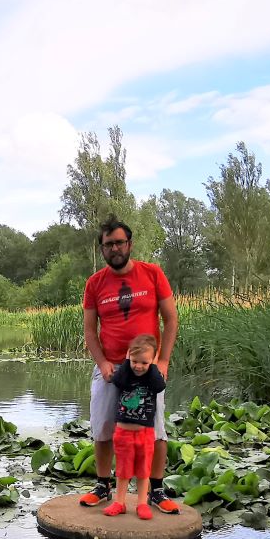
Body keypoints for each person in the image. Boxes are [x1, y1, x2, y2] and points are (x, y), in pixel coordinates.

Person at [80, 216, 180, 512]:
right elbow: (89, 329)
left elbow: (171, 318)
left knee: (157, 429)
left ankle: (156, 490)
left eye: (119, 242)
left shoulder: (152, 274)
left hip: (148, 369)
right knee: (102, 428)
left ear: (130, 244)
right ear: (102, 249)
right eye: (108, 244)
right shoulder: (94, 283)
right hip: (110, 367)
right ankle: (102, 486)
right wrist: (102, 362)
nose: (114, 248)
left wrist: (163, 360)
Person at [103, 334, 166, 519]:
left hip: (145, 433)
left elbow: (159, 386)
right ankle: (119, 502)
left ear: (151, 361)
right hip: (123, 432)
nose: (139, 366)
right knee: (123, 470)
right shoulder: (126, 374)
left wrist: (153, 365)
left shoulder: (152, 378)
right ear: (129, 357)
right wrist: (126, 360)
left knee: (143, 470)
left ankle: (141, 503)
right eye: (135, 361)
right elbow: (117, 381)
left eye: (144, 363)